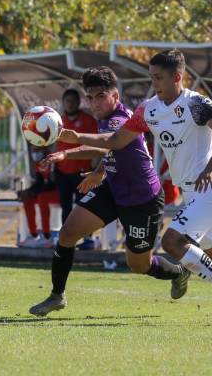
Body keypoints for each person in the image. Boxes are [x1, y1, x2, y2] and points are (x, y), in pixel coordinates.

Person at [51, 51, 212, 321]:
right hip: (193, 193)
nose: (155, 83)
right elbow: (115, 141)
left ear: (177, 77)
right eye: (151, 78)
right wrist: (74, 138)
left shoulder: (196, 103)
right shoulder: (149, 109)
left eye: (159, 78)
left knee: (172, 241)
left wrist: (211, 168)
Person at [28, 66, 189, 316]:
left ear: (115, 96)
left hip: (141, 200)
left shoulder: (121, 119)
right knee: (68, 233)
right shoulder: (104, 119)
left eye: (100, 96)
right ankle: (56, 296)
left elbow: (111, 141)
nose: (94, 103)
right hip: (113, 189)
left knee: (139, 264)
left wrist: (73, 138)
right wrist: (72, 158)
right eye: (90, 98)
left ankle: (178, 272)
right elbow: (109, 150)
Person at [54, 89, 98, 222]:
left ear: (79, 102)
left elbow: (97, 144)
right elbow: (53, 145)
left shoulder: (89, 120)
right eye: (67, 101)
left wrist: (94, 167)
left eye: (73, 101)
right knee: (65, 206)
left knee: (84, 205)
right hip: (62, 171)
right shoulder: (58, 122)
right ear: (63, 102)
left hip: (82, 172)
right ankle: (66, 240)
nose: (70, 104)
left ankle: (87, 239)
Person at [18, 145, 59, 248]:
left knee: (42, 197)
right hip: (45, 191)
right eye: (33, 150)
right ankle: (34, 235)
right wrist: (28, 192)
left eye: (37, 150)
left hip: (59, 192)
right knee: (28, 200)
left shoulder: (53, 160)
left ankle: (46, 236)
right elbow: (39, 182)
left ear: (44, 149)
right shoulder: (38, 163)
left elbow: (53, 183)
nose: (34, 152)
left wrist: (33, 192)